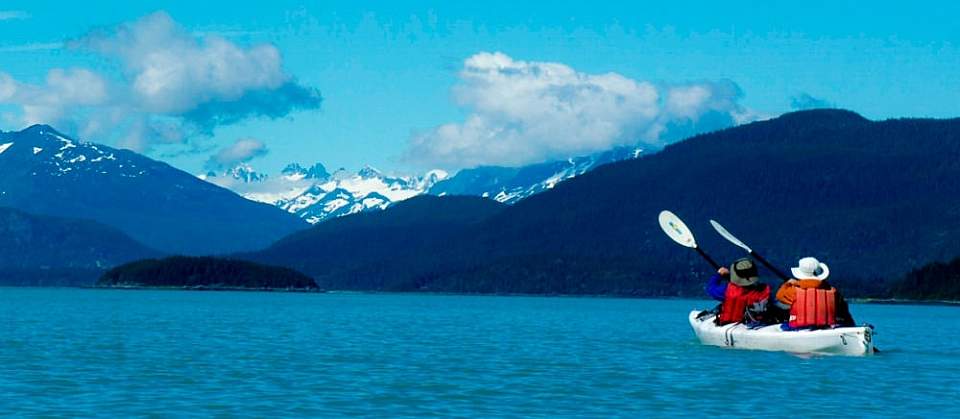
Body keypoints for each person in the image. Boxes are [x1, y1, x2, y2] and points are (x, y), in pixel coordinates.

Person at [775, 257, 855, 329]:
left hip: (799, 328)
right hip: (827, 328)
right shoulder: (833, 292)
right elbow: (843, 310)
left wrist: (789, 283)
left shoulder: (793, 291)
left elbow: (779, 295)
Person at [706, 257, 772, 326]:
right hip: (755, 324)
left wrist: (718, 275)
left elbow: (711, 289)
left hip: (729, 323)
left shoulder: (727, 290)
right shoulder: (764, 290)